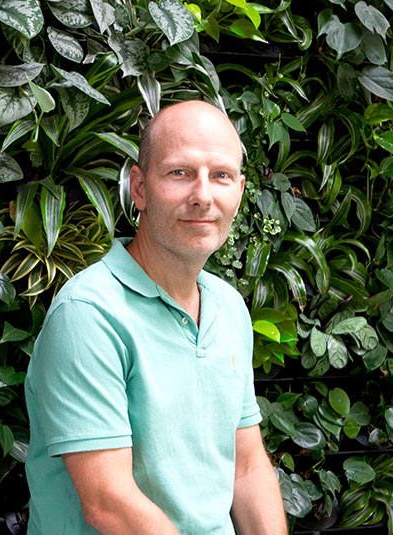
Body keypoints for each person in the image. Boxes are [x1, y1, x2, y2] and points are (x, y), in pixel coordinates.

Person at [24, 100, 287, 535]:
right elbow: (109, 504)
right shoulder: (88, 314)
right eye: (180, 173)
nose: (203, 194)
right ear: (140, 188)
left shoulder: (229, 308)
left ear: (239, 191)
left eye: (220, 175)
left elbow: (246, 467)